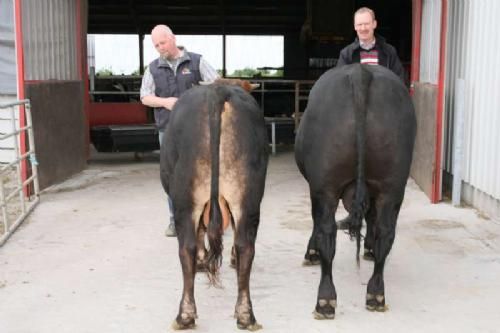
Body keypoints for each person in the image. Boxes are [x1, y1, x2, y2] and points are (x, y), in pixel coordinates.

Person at [140, 24, 219, 237]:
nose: (160, 48)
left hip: (199, 129)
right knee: (173, 176)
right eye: (156, 45)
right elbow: (145, 96)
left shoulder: (196, 61)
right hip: (168, 130)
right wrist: (164, 102)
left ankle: (209, 218)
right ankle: (176, 220)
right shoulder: (153, 68)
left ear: (173, 38)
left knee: (204, 172)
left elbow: (217, 85)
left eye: (162, 42)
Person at [336, 7, 406, 83]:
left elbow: (400, 81)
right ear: (355, 27)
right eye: (359, 24)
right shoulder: (346, 54)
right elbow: (340, 83)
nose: (363, 28)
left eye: (366, 24)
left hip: (383, 94)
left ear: (374, 24)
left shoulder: (389, 51)